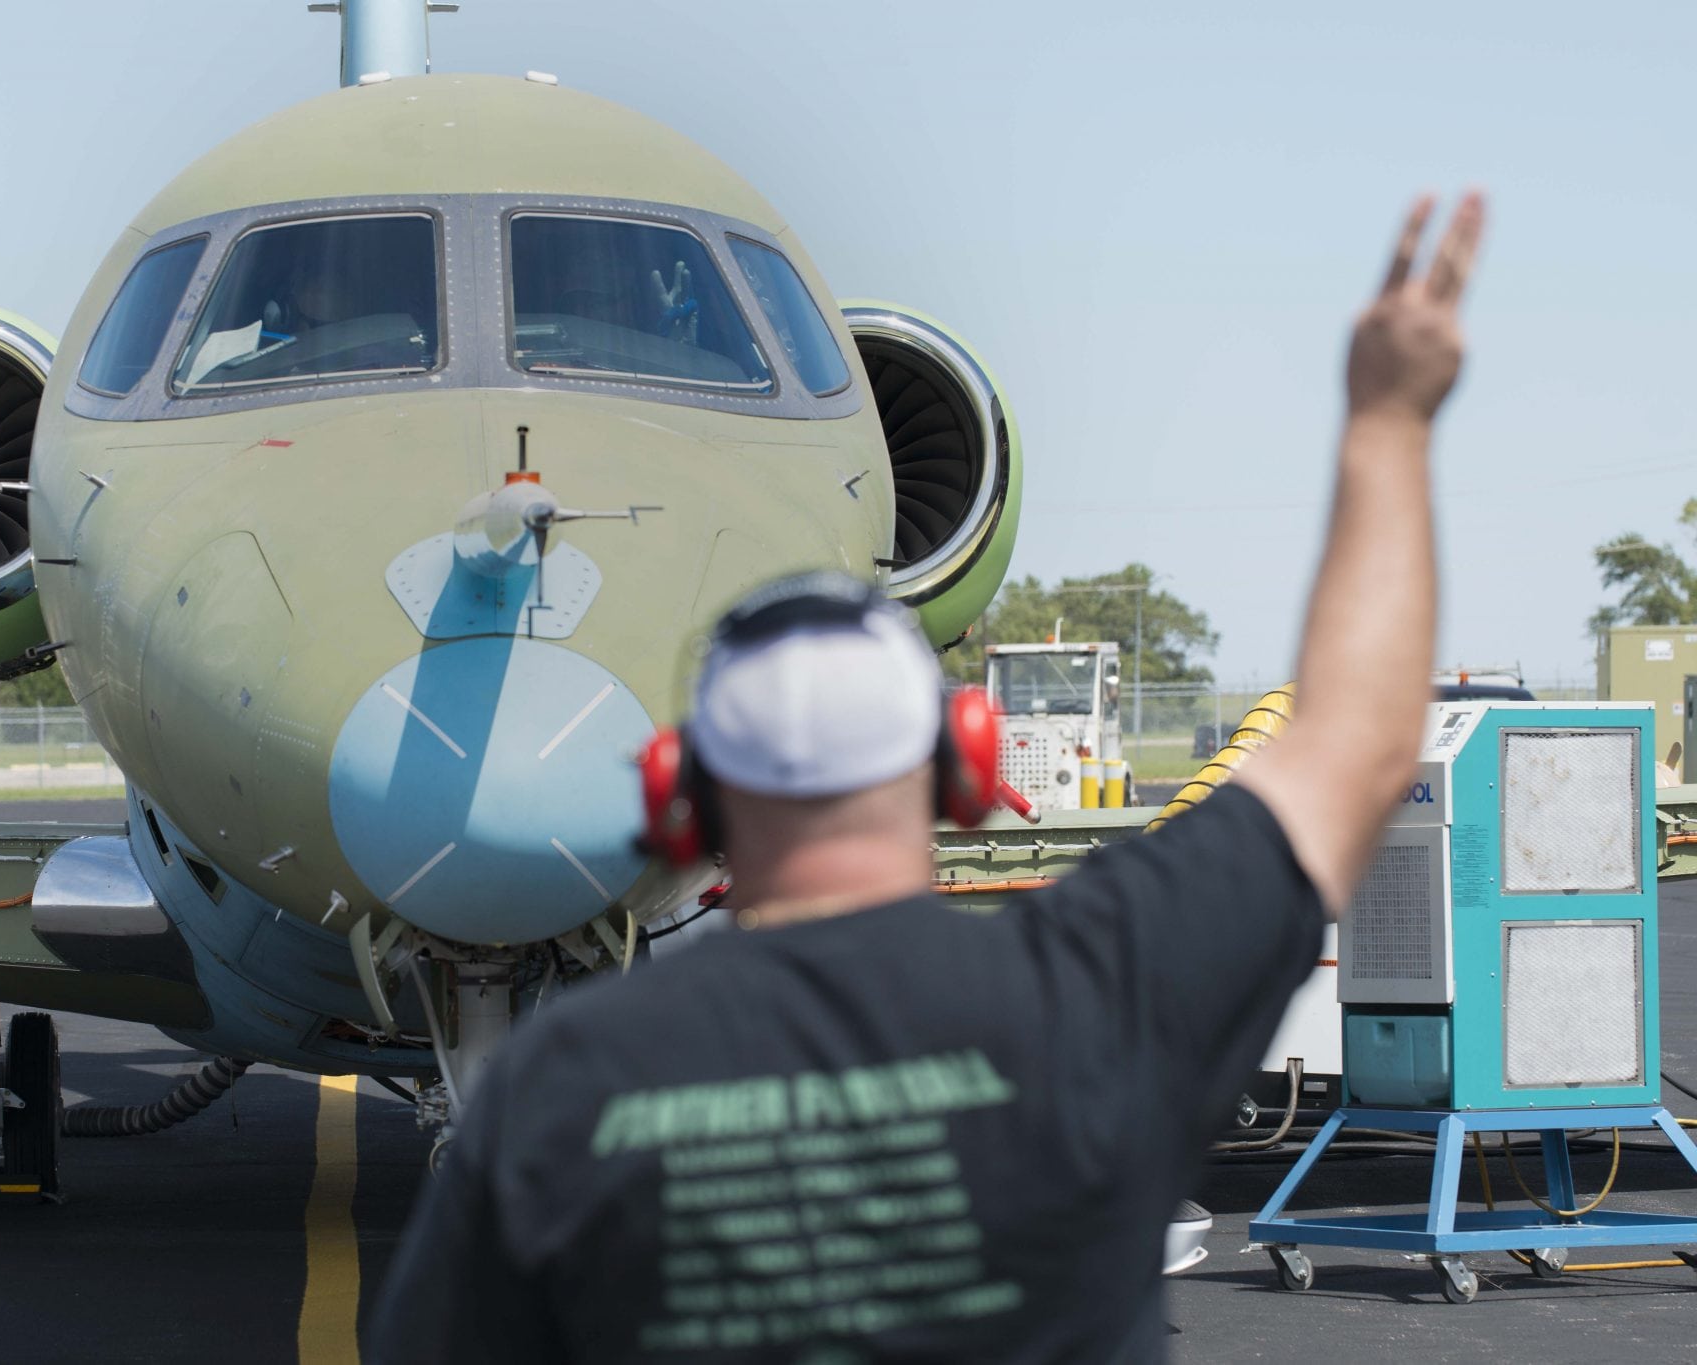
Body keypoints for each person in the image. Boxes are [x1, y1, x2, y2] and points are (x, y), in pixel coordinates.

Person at [363, 192, 1485, 1364]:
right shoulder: (1099, 990)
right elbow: (1350, 745)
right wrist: (1387, 423)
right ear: (964, 762)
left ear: (676, 791)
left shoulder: (560, 1093)